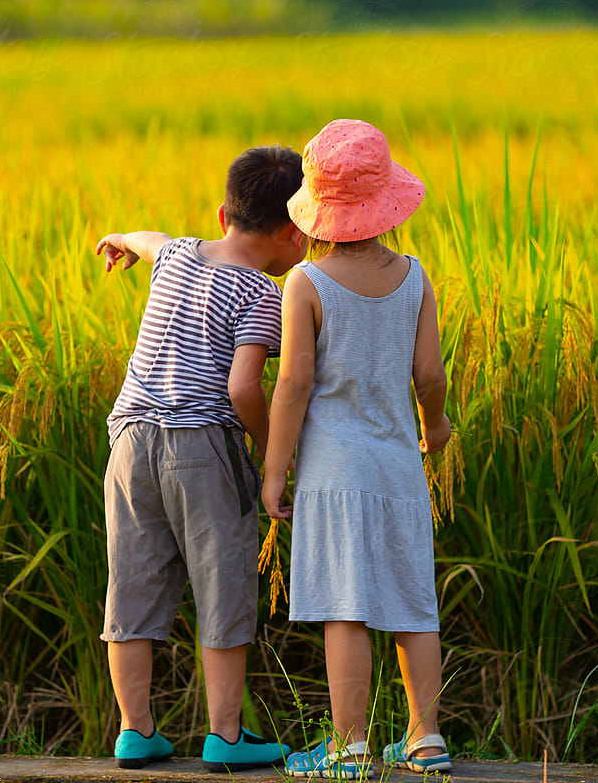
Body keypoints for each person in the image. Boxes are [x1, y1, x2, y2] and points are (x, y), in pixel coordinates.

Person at [96, 145, 306, 772]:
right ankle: (226, 737)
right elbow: (244, 388)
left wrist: (120, 240)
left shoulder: (181, 254)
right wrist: (273, 454)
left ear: (223, 214)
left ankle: (135, 731)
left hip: (130, 442)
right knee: (222, 583)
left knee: (131, 586)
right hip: (203, 446)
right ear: (295, 233)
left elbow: (152, 240)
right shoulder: (262, 295)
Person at [261, 119, 453, 780]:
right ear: (386, 203)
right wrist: (435, 426)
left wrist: (275, 471)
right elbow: (429, 374)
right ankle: (426, 737)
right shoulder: (415, 277)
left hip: (332, 471)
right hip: (400, 467)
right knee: (412, 604)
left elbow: (292, 384)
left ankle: (348, 747)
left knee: (344, 607)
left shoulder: (305, 284)